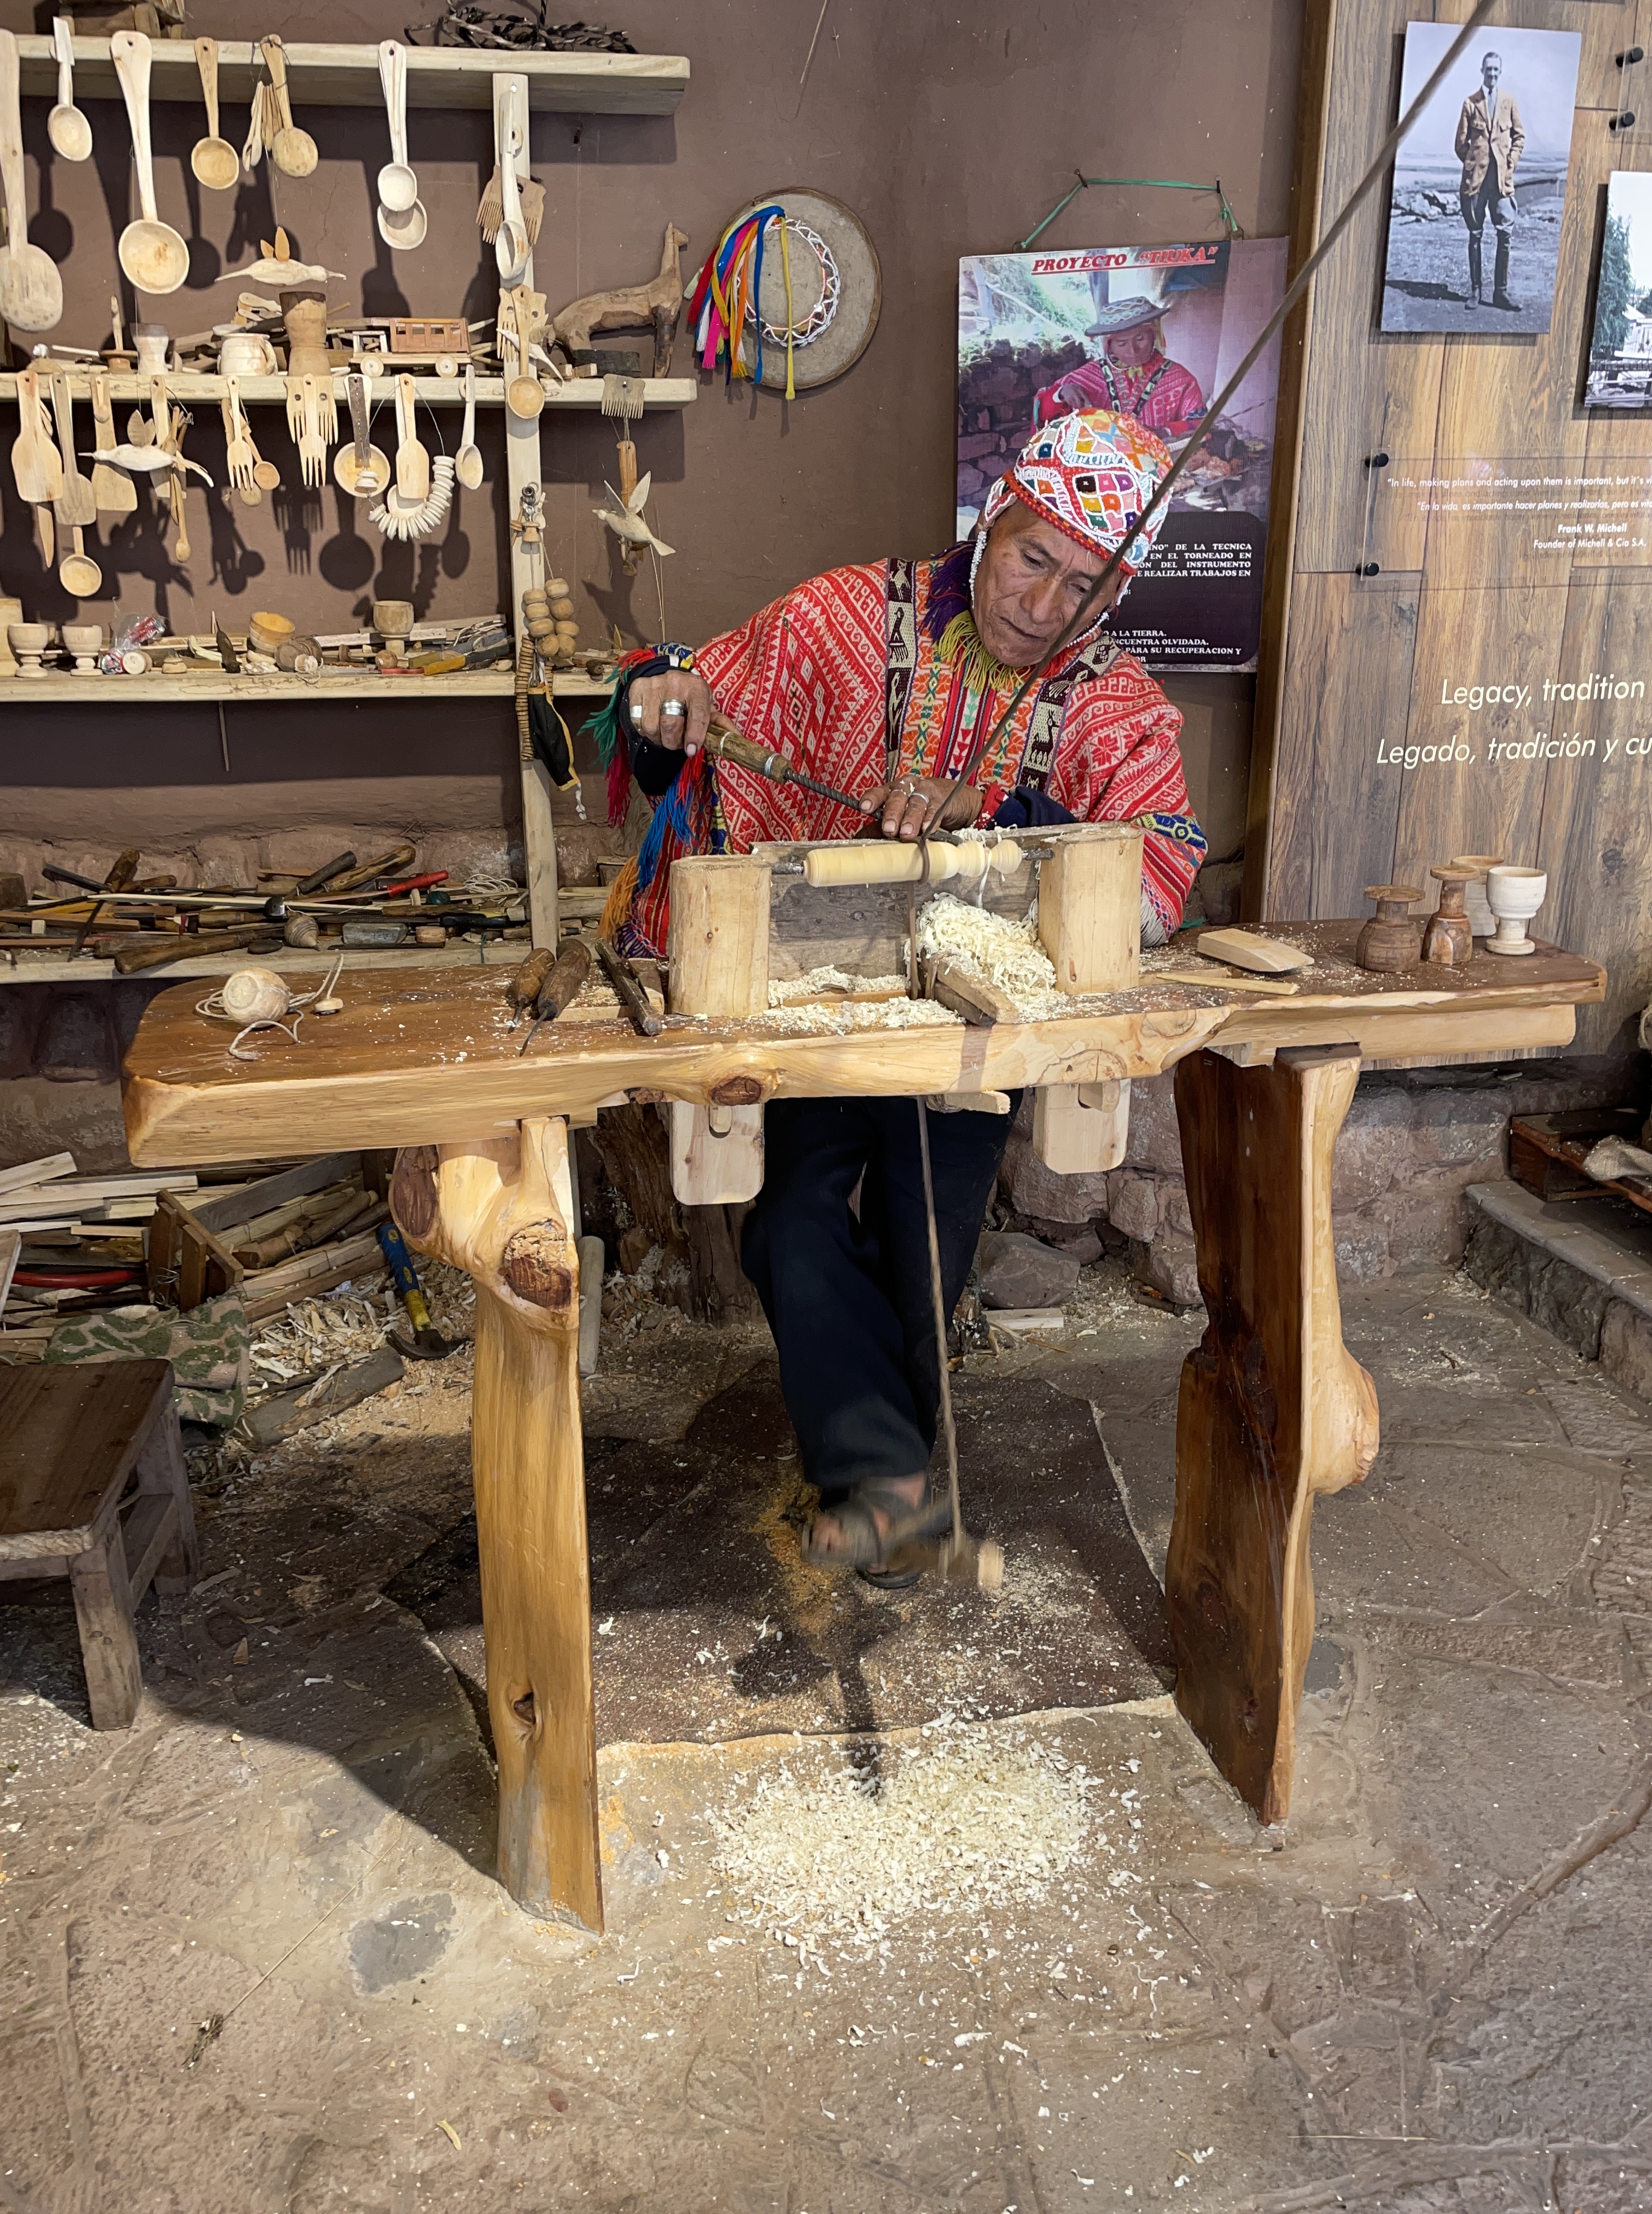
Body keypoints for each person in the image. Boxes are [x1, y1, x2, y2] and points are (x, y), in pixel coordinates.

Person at [601, 411, 1205, 1579]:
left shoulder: (1110, 702)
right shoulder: (843, 617)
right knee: (791, 1224)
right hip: (821, 996)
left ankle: (881, 1486)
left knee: (926, 1253)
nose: (1044, 605)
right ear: (994, 520)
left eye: (1084, 587)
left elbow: (1159, 876)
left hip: (977, 1015)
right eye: (1033, 558)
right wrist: (661, 705)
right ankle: (891, 1483)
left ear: (1115, 596)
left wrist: (1002, 812)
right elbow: (684, 719)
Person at [1032, 297, 1205, 441]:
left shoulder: (1179, 379)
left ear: (1154, 336)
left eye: (1140, 339)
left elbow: (1201, 422)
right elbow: (1043, 415)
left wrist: (1165, 432)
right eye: (1122, 344)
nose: (1133, 351)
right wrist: (1061, 394)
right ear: (1109, 345)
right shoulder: (1089, 376)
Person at [1455, 48, 1524, 312]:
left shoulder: (1509, 102)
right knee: (1475, 234)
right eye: (1488, 69)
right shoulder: (1470, 103)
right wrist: (1474, 164)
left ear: (1500, 72)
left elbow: (1519, 137)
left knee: (1505, 234)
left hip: (1500, 182)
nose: (1492, 74)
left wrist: (1510, 162)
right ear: (1482, 71)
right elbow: (1460, 143)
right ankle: (1475, 291)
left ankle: (1500, 293)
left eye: (1496, 69)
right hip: (1476, 182)